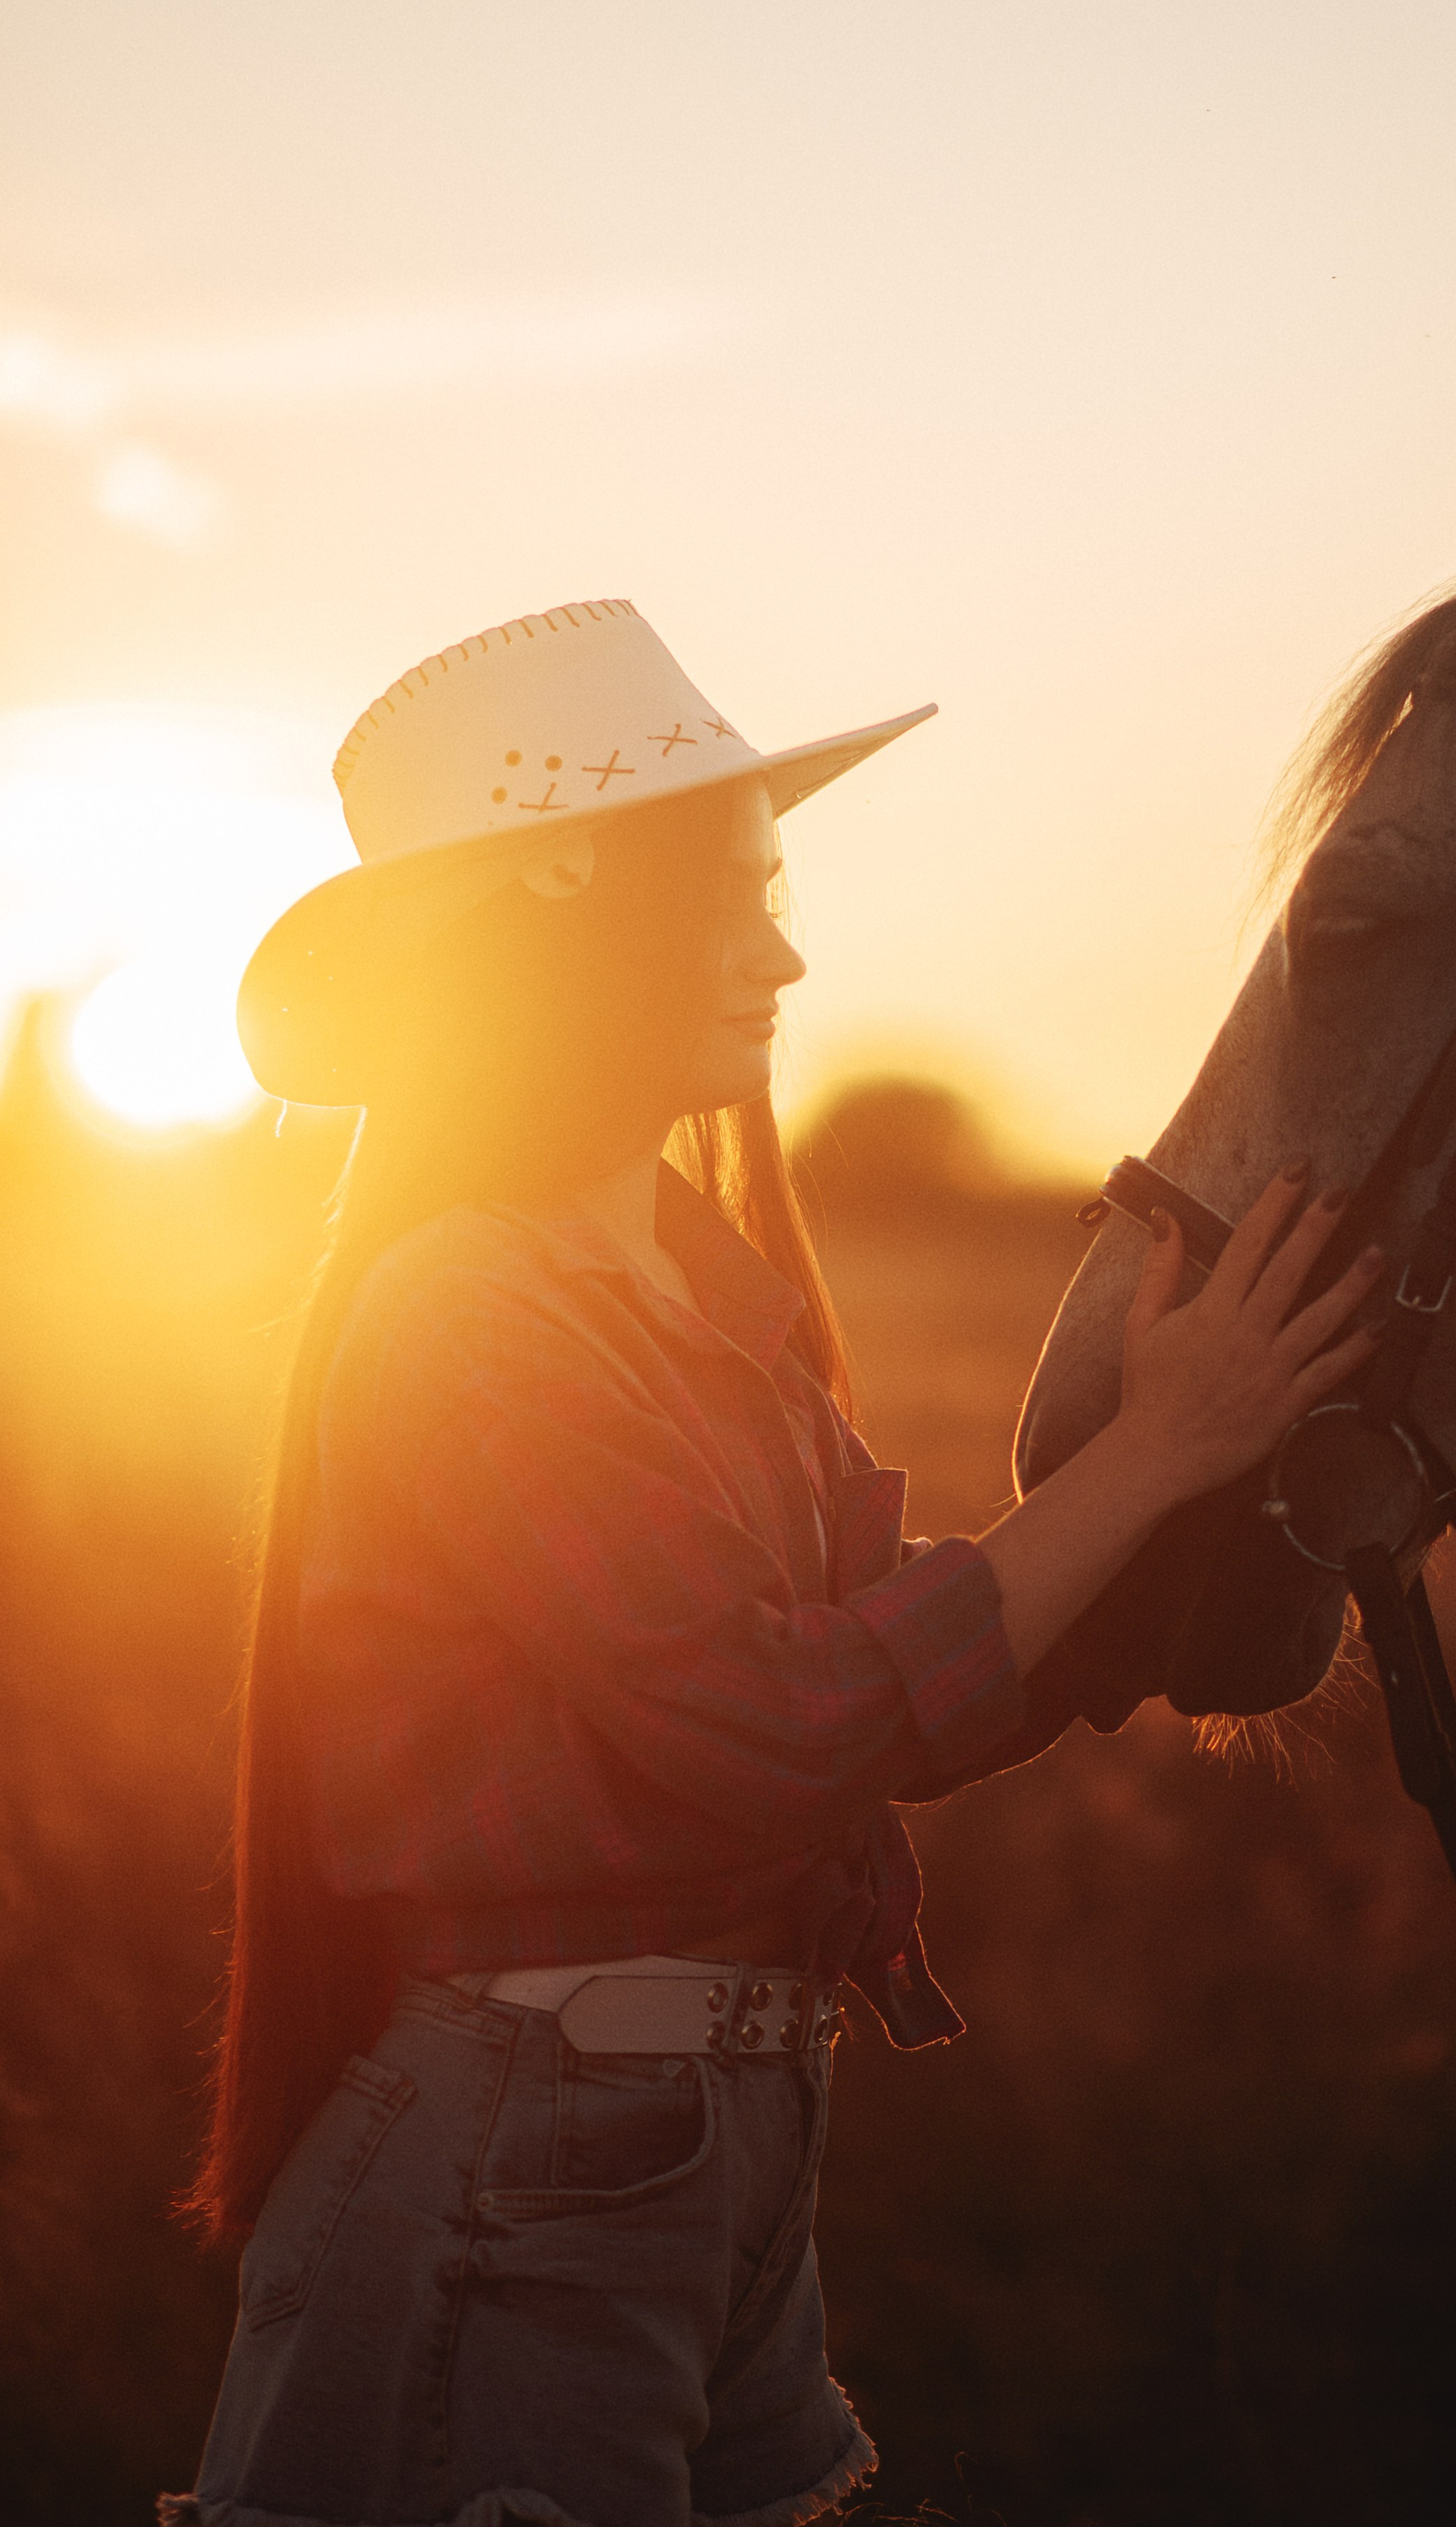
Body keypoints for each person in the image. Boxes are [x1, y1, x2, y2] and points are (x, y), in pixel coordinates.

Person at [164, 599, 1383, 2527]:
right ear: (566, 932)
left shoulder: (694, 1291)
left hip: (702, 2141)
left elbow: (914, 1667)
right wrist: (1161, 1445)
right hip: (527, 2153)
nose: (788, 946)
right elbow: (782, 1727)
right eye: (732, 893)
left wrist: (1204, 1499)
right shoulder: (469, 1316)